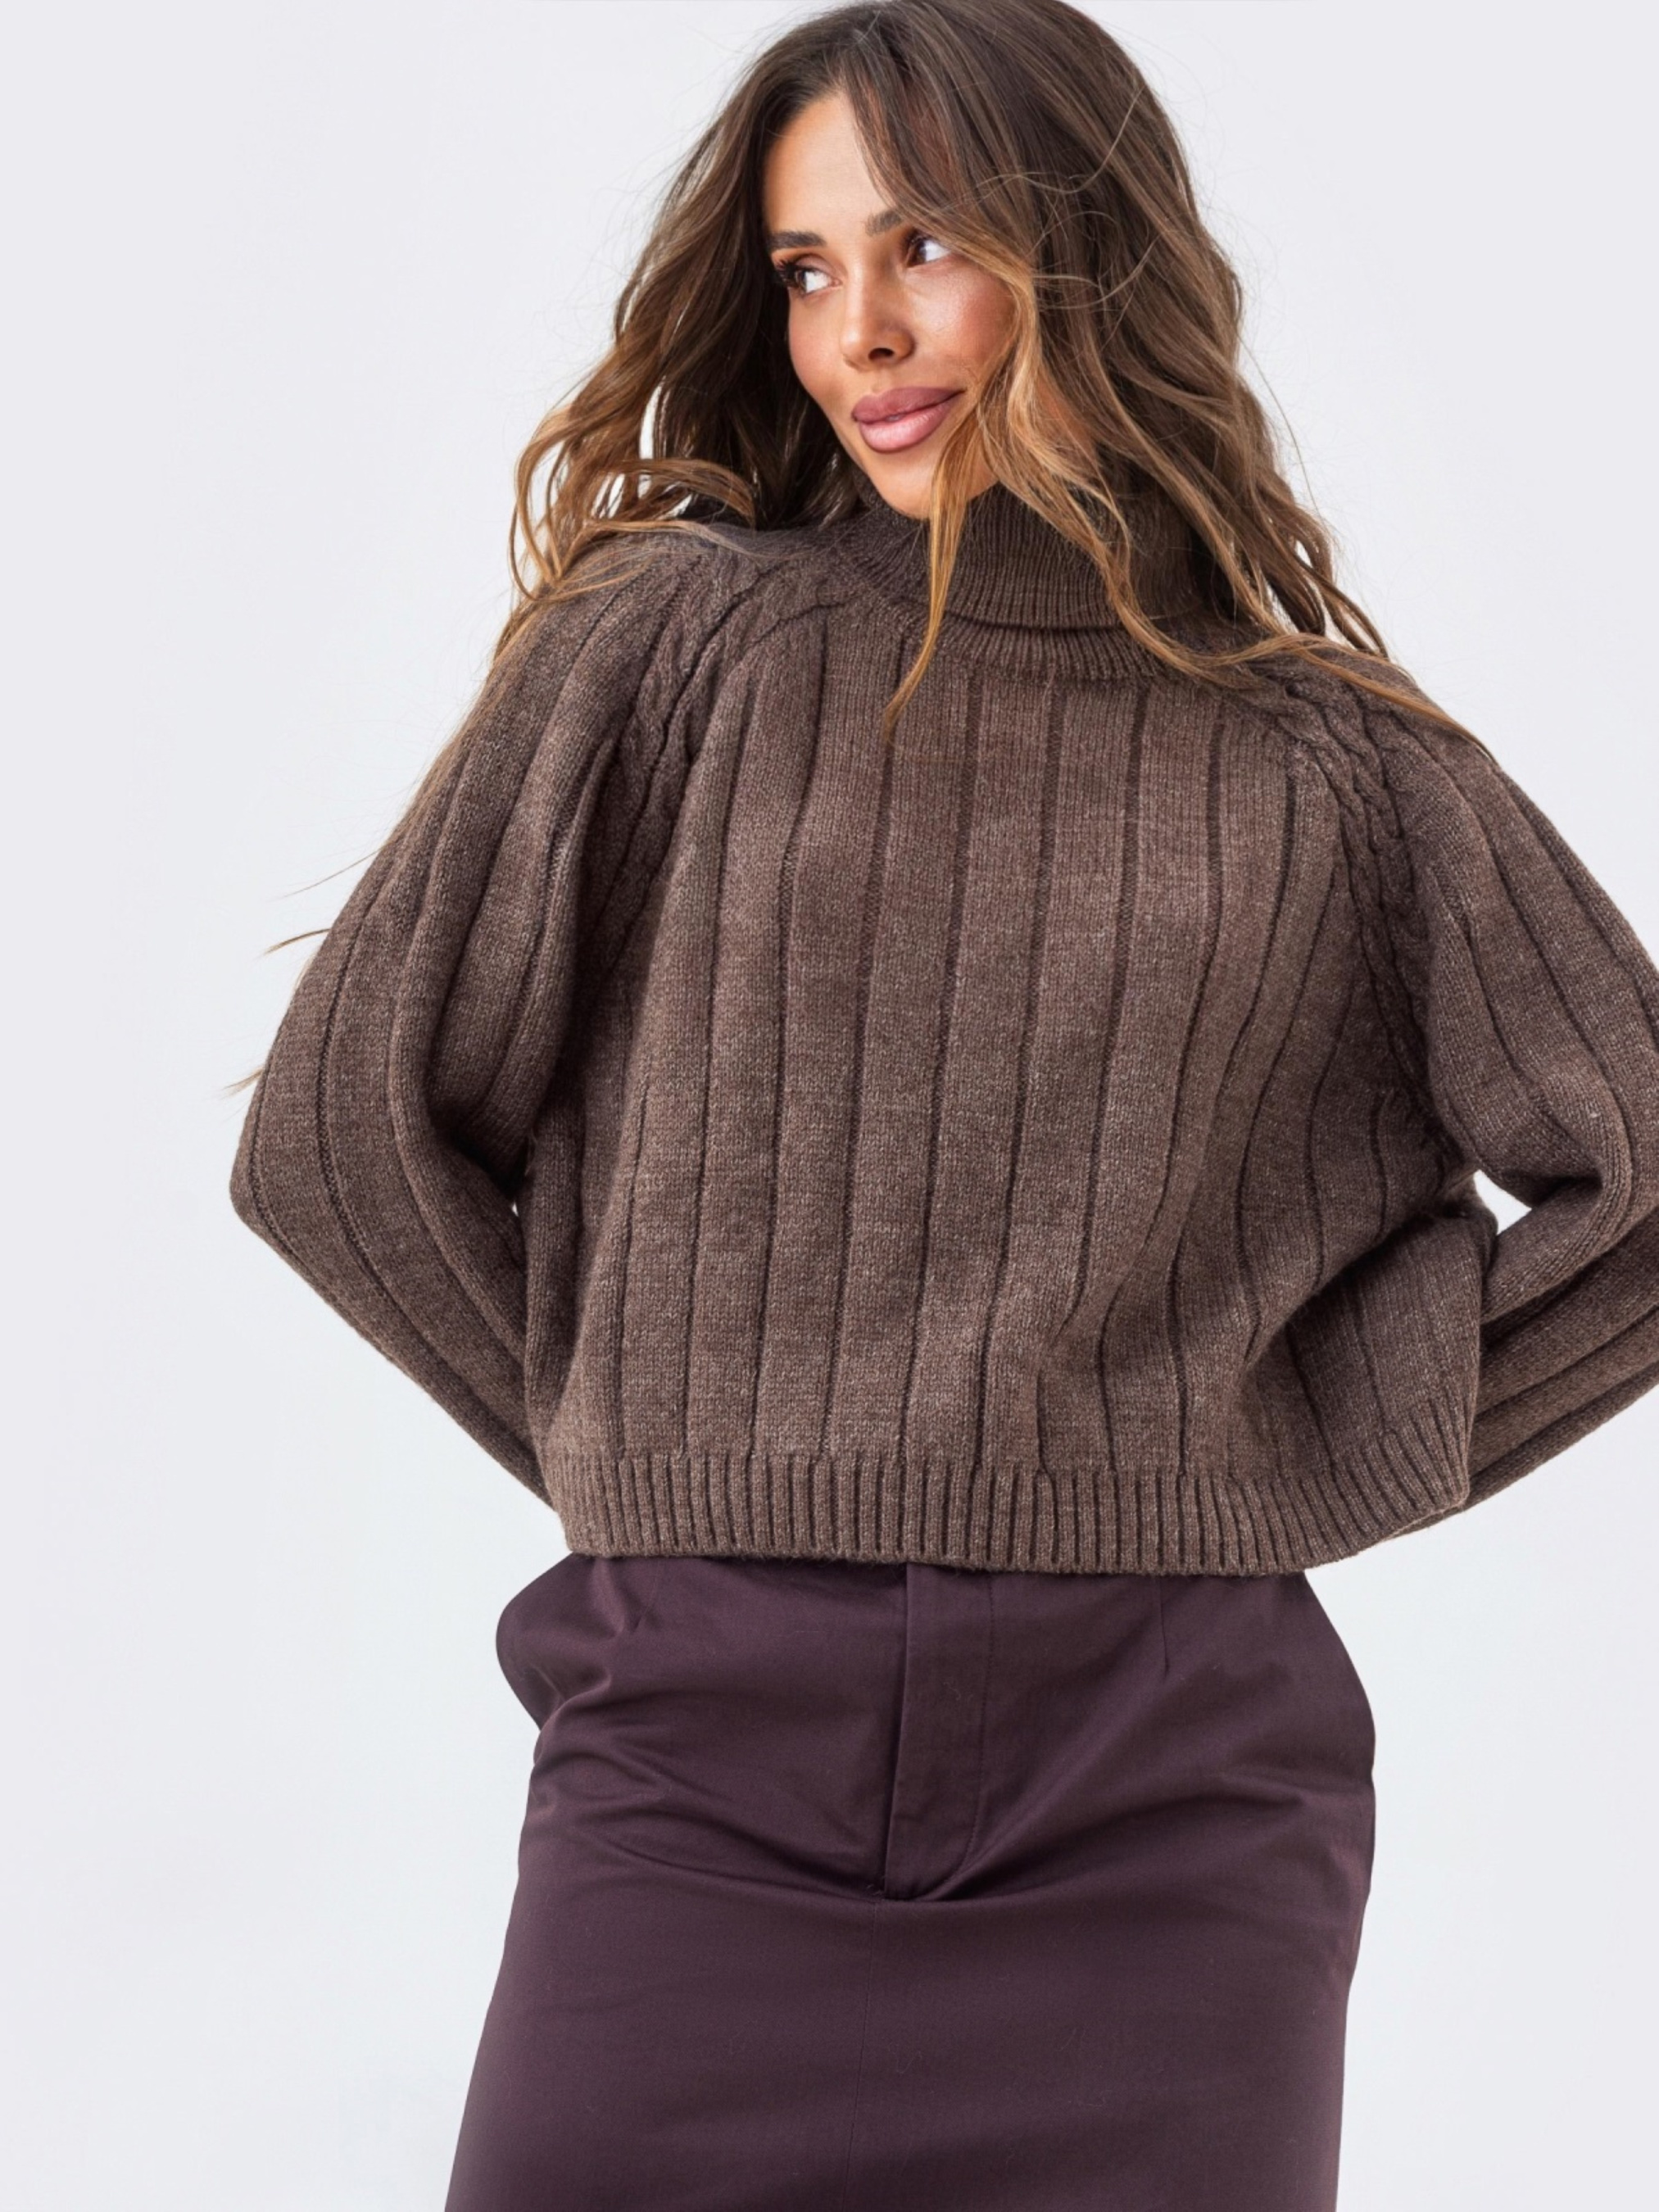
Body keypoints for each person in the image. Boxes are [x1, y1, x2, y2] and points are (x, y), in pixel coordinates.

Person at [229, 2, 1659, 2206]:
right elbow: (340, 1137)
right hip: (696, 1763)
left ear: (1090, 255)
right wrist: (674, 1451)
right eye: (806, 269)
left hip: (1168, 1799)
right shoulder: (677, 655)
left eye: (924, 246)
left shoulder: (1332, 761)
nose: (859, 335)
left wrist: (1295, 1435)